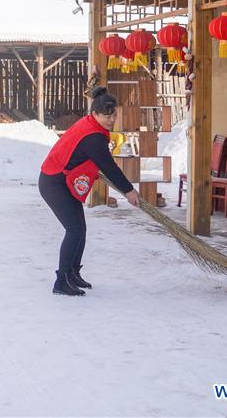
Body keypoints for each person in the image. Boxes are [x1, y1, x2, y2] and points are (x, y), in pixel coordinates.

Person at [39, 86, 139, 297]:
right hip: (54, 182)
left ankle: (72, 273)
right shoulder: (93, 137)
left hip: (62, 179)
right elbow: (109, 167)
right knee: (74, 229)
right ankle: (61, 281)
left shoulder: (91, 125)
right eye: (107, 116)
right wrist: (129, 191)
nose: (111, 120)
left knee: (80, 229)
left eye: (114, 115)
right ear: (95, 114)